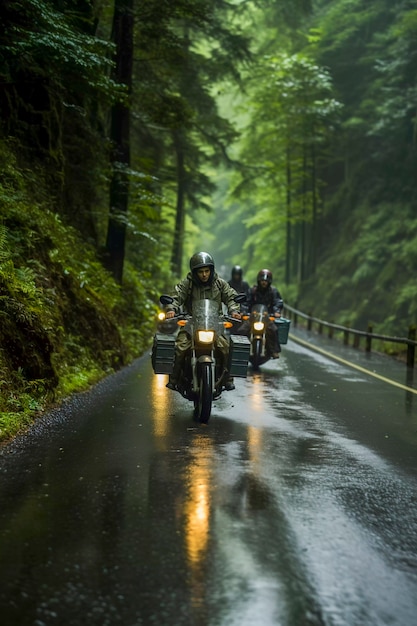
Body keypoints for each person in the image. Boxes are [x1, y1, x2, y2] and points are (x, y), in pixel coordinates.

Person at [165, 252, 241, 392]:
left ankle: (228, 379)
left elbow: (231, 297)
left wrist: (234, 310)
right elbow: (176, 296)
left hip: (215, 324)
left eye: (207, 271)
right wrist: (171, 308)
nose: (204, 274)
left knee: (225, 348)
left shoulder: (220, 284)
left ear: (211, 270)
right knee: (180, 347)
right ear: (195, 272)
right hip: (190, 323)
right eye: (201, 272)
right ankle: (174, 379)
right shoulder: (187, 284)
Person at [243, 269, 284, 358]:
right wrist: (244, 311)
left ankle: (274, 351)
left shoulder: (273, 292)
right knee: (242, 329)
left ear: (269, 282)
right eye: (262, 280)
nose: (264, 283)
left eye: (266, 281)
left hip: (267, 318)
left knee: (273, 330)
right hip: (252, 317)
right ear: (258, 280)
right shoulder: (252, 291)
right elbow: (246, 302)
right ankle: (239, 349)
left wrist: (276, 311)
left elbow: (278, 302)